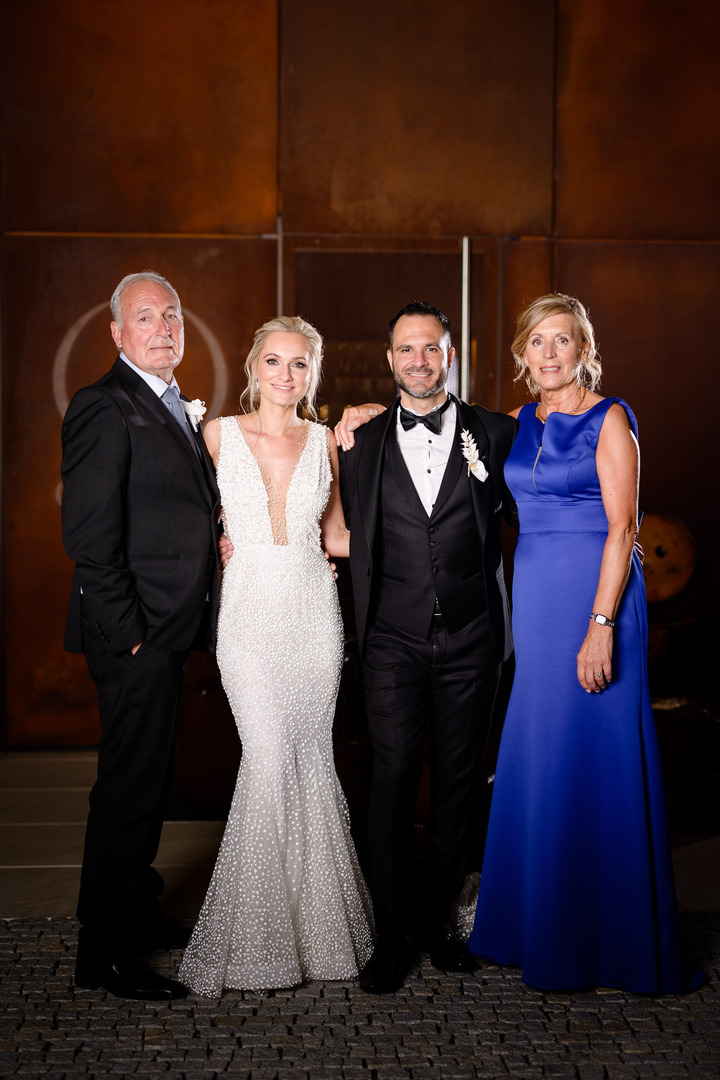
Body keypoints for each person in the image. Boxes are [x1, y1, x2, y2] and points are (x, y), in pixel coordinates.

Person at [468, 293, 702, 992]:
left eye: (561, 341)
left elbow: (625, 531)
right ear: (521, 355)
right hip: (535, 598)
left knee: (594, 758)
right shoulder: (518, 422)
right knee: (542, 756)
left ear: (584, 350)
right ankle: (534, 927)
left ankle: (609, 941)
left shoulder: (611, 420)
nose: (548, 354)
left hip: (595, 601)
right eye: (536, 342)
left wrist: (600, 627)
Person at [178, 317, 374, 995]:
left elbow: (341, 534)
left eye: (299, 365)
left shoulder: (329, 442)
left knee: (309, 758)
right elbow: (177, 519)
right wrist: (216, 544)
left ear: (312, 373)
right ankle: (257, 943)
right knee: (266, 757)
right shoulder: (213, 436)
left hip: (313, 613)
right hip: (249, 618)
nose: (285, 376)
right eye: (274, 362)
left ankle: (316, 938)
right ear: (252, 365)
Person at [334, 301, 518, 993]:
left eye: (432, 349)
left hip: (473, 637)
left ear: (451, 356)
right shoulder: (359, 439)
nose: (419, 360)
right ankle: (391, 932)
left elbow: (552, 509)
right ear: (389, 360)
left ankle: (440, 918)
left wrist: (624, 544)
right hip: (390, 641)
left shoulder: (496, 433)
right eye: (407, 349)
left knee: (461, 784)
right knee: (391, 781)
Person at [61, 271, 220, 1000]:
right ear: (119, 334)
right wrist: (129, 637)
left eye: (173, 315)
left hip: (167, 629)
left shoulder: (170, 407)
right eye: (146, 317)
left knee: (153, 781)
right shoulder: (103, 407)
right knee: (128, 790)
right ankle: (106, 953)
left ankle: (141, 910)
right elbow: (89, 537)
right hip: (134, 636)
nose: (163, 327)